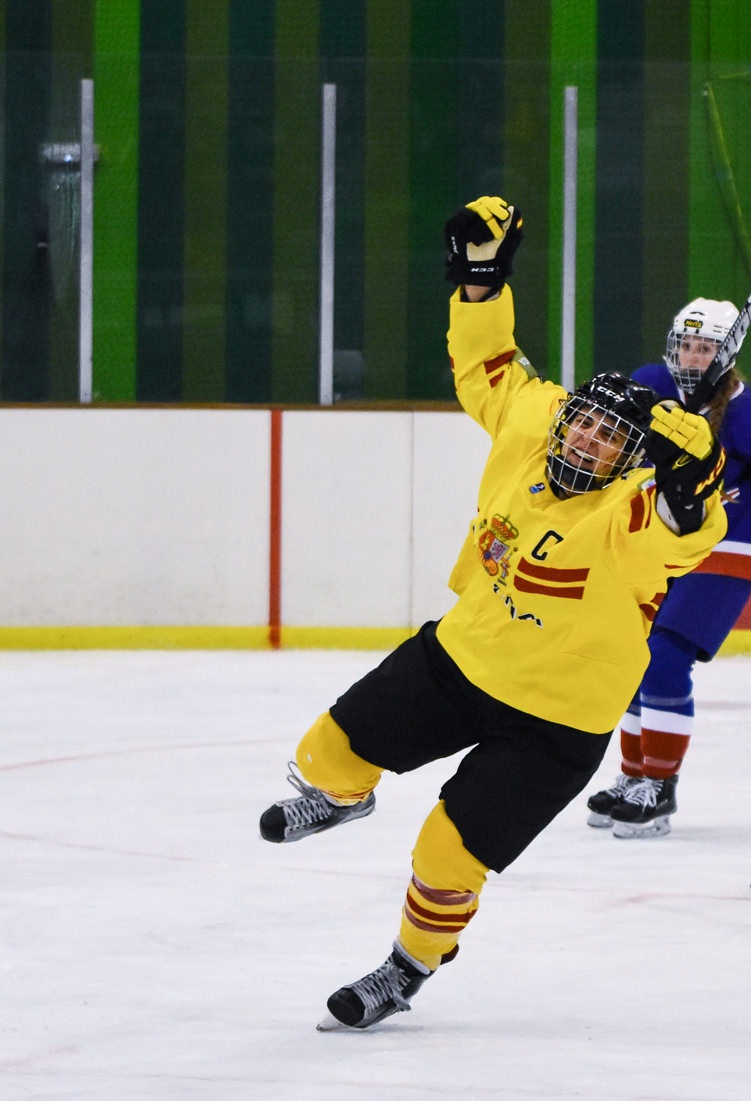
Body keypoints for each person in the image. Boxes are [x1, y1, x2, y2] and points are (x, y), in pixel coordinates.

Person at [257, 196, 727, 1030]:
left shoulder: (630, 508)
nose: (586, 446)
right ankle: (344, 796)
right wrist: (481, 282)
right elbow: (486, 366)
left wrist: (691, 496)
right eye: (582, 428)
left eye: (607, 444)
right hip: (464, 656)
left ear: (630, 461)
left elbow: (681, 537)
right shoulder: (535, 417)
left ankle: (407, 966)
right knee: (323, 751)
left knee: (446, 850)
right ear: (567, 417)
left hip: (561, 716)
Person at [582, 298, 751, 839]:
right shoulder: (649, 383)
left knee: (663, 656)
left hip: (725, 549)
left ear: (726, 353)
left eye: (705, 347)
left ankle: (660, 785)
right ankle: (635, 774)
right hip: (655, 543)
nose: (691, 355)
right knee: (632, 657)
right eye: (686, 343)